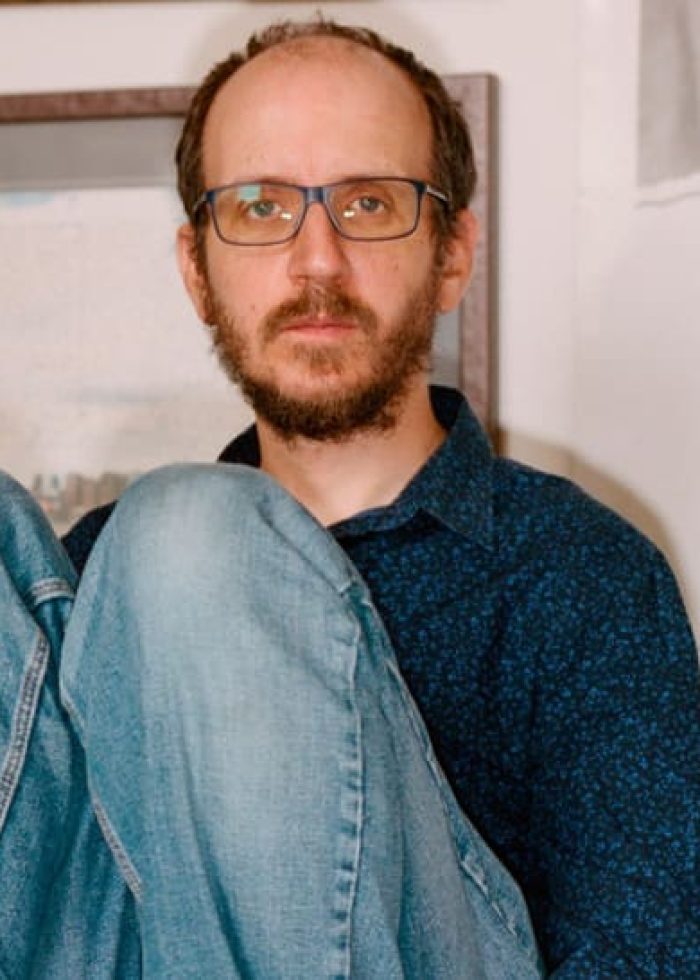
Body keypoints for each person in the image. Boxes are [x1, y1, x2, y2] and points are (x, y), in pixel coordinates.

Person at [3, 15, 698, 978]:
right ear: (197, 271)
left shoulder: (583, 575)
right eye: (258, 206)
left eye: (369, 204)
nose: (317, 260)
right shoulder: (97, 569)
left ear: (453, 256)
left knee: (189, 533)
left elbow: (647, 955)